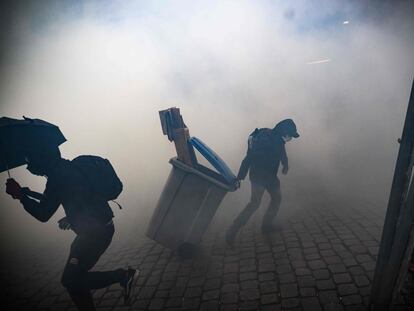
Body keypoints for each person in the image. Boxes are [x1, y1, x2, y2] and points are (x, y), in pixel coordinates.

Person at [5, 146, 138, 311]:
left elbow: (43, 213)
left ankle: (123, 275)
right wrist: (29, 193)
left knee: (71, 280)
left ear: (42, 159)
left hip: (94, 235)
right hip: (99, 228)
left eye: (30, 160)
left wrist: (20, 196)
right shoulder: (70, 168)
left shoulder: (57, 178)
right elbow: (68, 198)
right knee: (75, 279)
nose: (29, 166)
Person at [225, 119, 299, 245]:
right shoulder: (265, 140)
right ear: (284, 132)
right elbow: (249, 158)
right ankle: (233, 230)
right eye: (290, 135)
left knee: (277, 198)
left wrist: (285, 163)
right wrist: (240, 177)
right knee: (254, 203)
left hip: (270, 176)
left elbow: (282, 151)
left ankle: (266, 225)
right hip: (258, 177)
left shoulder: (278, 139)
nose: (290, 138)